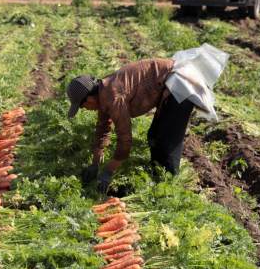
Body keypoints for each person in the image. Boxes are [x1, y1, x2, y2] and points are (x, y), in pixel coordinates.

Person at [67, 58, 196, 194]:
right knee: (153, 136)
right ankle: (158, 176)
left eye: (82, 106)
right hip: (170, 84)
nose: (85, 109)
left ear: (89, 98)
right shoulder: (103, 92)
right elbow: (102, 128)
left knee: (166, 140)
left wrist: (108, 171)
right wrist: (95, 164)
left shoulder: (113, 96)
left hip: (180, 83)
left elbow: (125, 139)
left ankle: (170, 188)